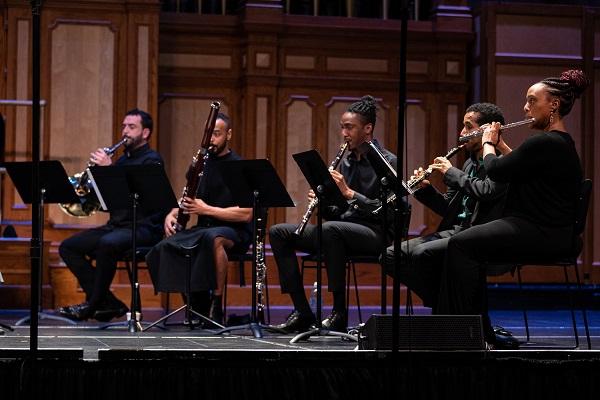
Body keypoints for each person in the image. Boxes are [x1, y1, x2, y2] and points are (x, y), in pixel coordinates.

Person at [437, 69, 588, 346]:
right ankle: (478, 331)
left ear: (553, 105)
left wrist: (486, 143)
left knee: (460, 245)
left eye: (532, 101)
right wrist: (502, 146)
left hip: (540, 232)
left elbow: (495, 170)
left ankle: (462, 334)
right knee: (468, 244)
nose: (525, 108)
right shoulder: (558, 143)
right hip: (550, 232)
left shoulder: (543, 142)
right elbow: (517, 166)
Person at [381, 102, 516, 347]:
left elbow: (485, 192)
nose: (461, 134)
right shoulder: (468, 164)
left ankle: (451, 318)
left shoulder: (500, 164)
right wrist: (425, 191)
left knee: (424, 254)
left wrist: (451, 173)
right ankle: (451, 310)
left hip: (482, 237)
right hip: (458, 232)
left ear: (485, 130)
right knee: (391, 255)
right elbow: (448, 207)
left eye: (468, 127)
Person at [269, 95, 398, 333]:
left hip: (377, 234)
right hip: (340, 233)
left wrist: (349, 193)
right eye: (342, 128)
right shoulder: (346, 162)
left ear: (367, 129)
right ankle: (303, 312)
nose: (344, 134)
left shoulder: (388, 162)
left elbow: (386, 212)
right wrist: (323, 203)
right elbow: (339, 214)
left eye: (350, 128)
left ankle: (339, 312)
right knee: (279, 232)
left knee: (332, 231)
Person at [58, 109, 168, 321]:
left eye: (131, 127)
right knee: (68, 247)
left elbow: (143, 200)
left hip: (144, 227)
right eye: (124, 126)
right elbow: (109, 204)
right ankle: (108, 303)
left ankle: (92, 305)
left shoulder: (152, 161)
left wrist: (109, 170)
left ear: (145, 133)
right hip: (117, 226)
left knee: (107, 243)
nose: (125, 131)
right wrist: (94, 183)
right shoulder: (122, 161)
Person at [145, 113, 252, 325]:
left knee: (213, 239)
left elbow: (246, 213)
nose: (211, 139)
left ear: (228, 135)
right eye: (208, 134)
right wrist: (172, 213)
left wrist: (206, 209)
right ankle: (195, 305)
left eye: (217, 134)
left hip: (233, 230)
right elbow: (189, 197)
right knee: (166, 245)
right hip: (205, 227)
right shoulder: (201, 165)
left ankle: (216, 305)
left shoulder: (239, 166)